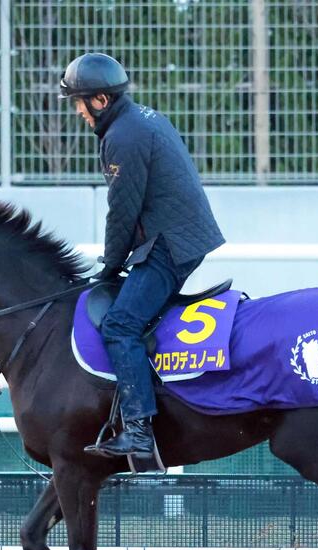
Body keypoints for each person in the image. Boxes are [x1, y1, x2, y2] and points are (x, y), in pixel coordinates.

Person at [60, 52, 225, 462]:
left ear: (100, 100)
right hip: (178, 237)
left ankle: (138, 432)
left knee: (120, 325)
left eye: (79, 101)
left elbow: (122, 212)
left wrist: (111, 267)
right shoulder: (141, 117)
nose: (77, 111)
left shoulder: (124, 136)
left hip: (173, 245)